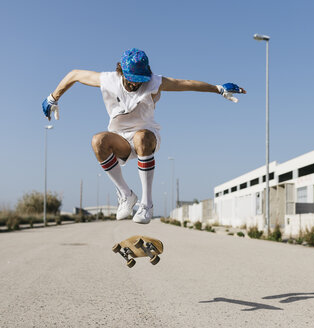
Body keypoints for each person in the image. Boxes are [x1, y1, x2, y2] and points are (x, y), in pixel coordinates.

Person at [42, 48, 246, 224]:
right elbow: (74, 74)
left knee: (141, 137)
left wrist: (218, 89)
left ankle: (146, 205)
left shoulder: (154, 82)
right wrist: (53, 97)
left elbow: (186, 83)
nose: (135, 86)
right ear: (120, 71)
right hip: (120, 138)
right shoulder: (108, 80)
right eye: (131, 81)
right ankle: (127, 195)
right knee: (98, 141)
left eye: (139, 82)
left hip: (147, 137)